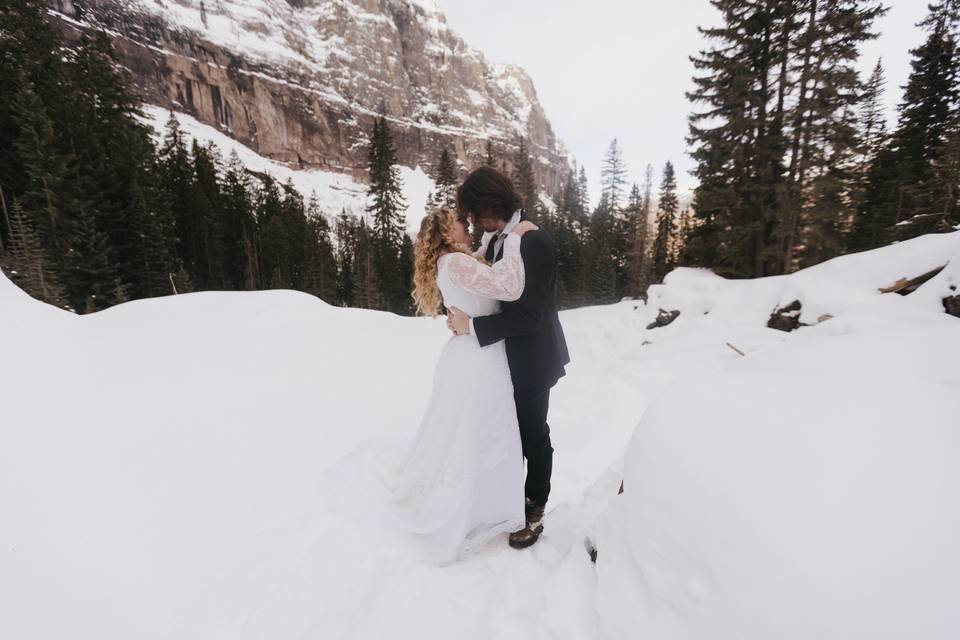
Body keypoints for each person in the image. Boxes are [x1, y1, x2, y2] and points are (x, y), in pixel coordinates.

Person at [388, 206, 538, 563]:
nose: (466, 223)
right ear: (446, 232)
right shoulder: (456, 263)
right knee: (478, 432)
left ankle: (480, 501)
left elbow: (477, 275)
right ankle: (474, 507)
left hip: (469, 353)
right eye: (459, 222)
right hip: (479, 358)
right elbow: (509, 286)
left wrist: (488, 244)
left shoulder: (452, 261)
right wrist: (515, 239)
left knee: (470, 430)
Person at [447, 166, 570, 550]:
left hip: (533, 359)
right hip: (502, 359)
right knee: (503, 433)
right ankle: (502, 503)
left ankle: (534, 508)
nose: (475, 221)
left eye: (477, 212)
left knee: (532, 434)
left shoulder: (534, 242)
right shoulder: (494, 238)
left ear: (492, 204)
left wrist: (474, 328)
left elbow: (530, 316)